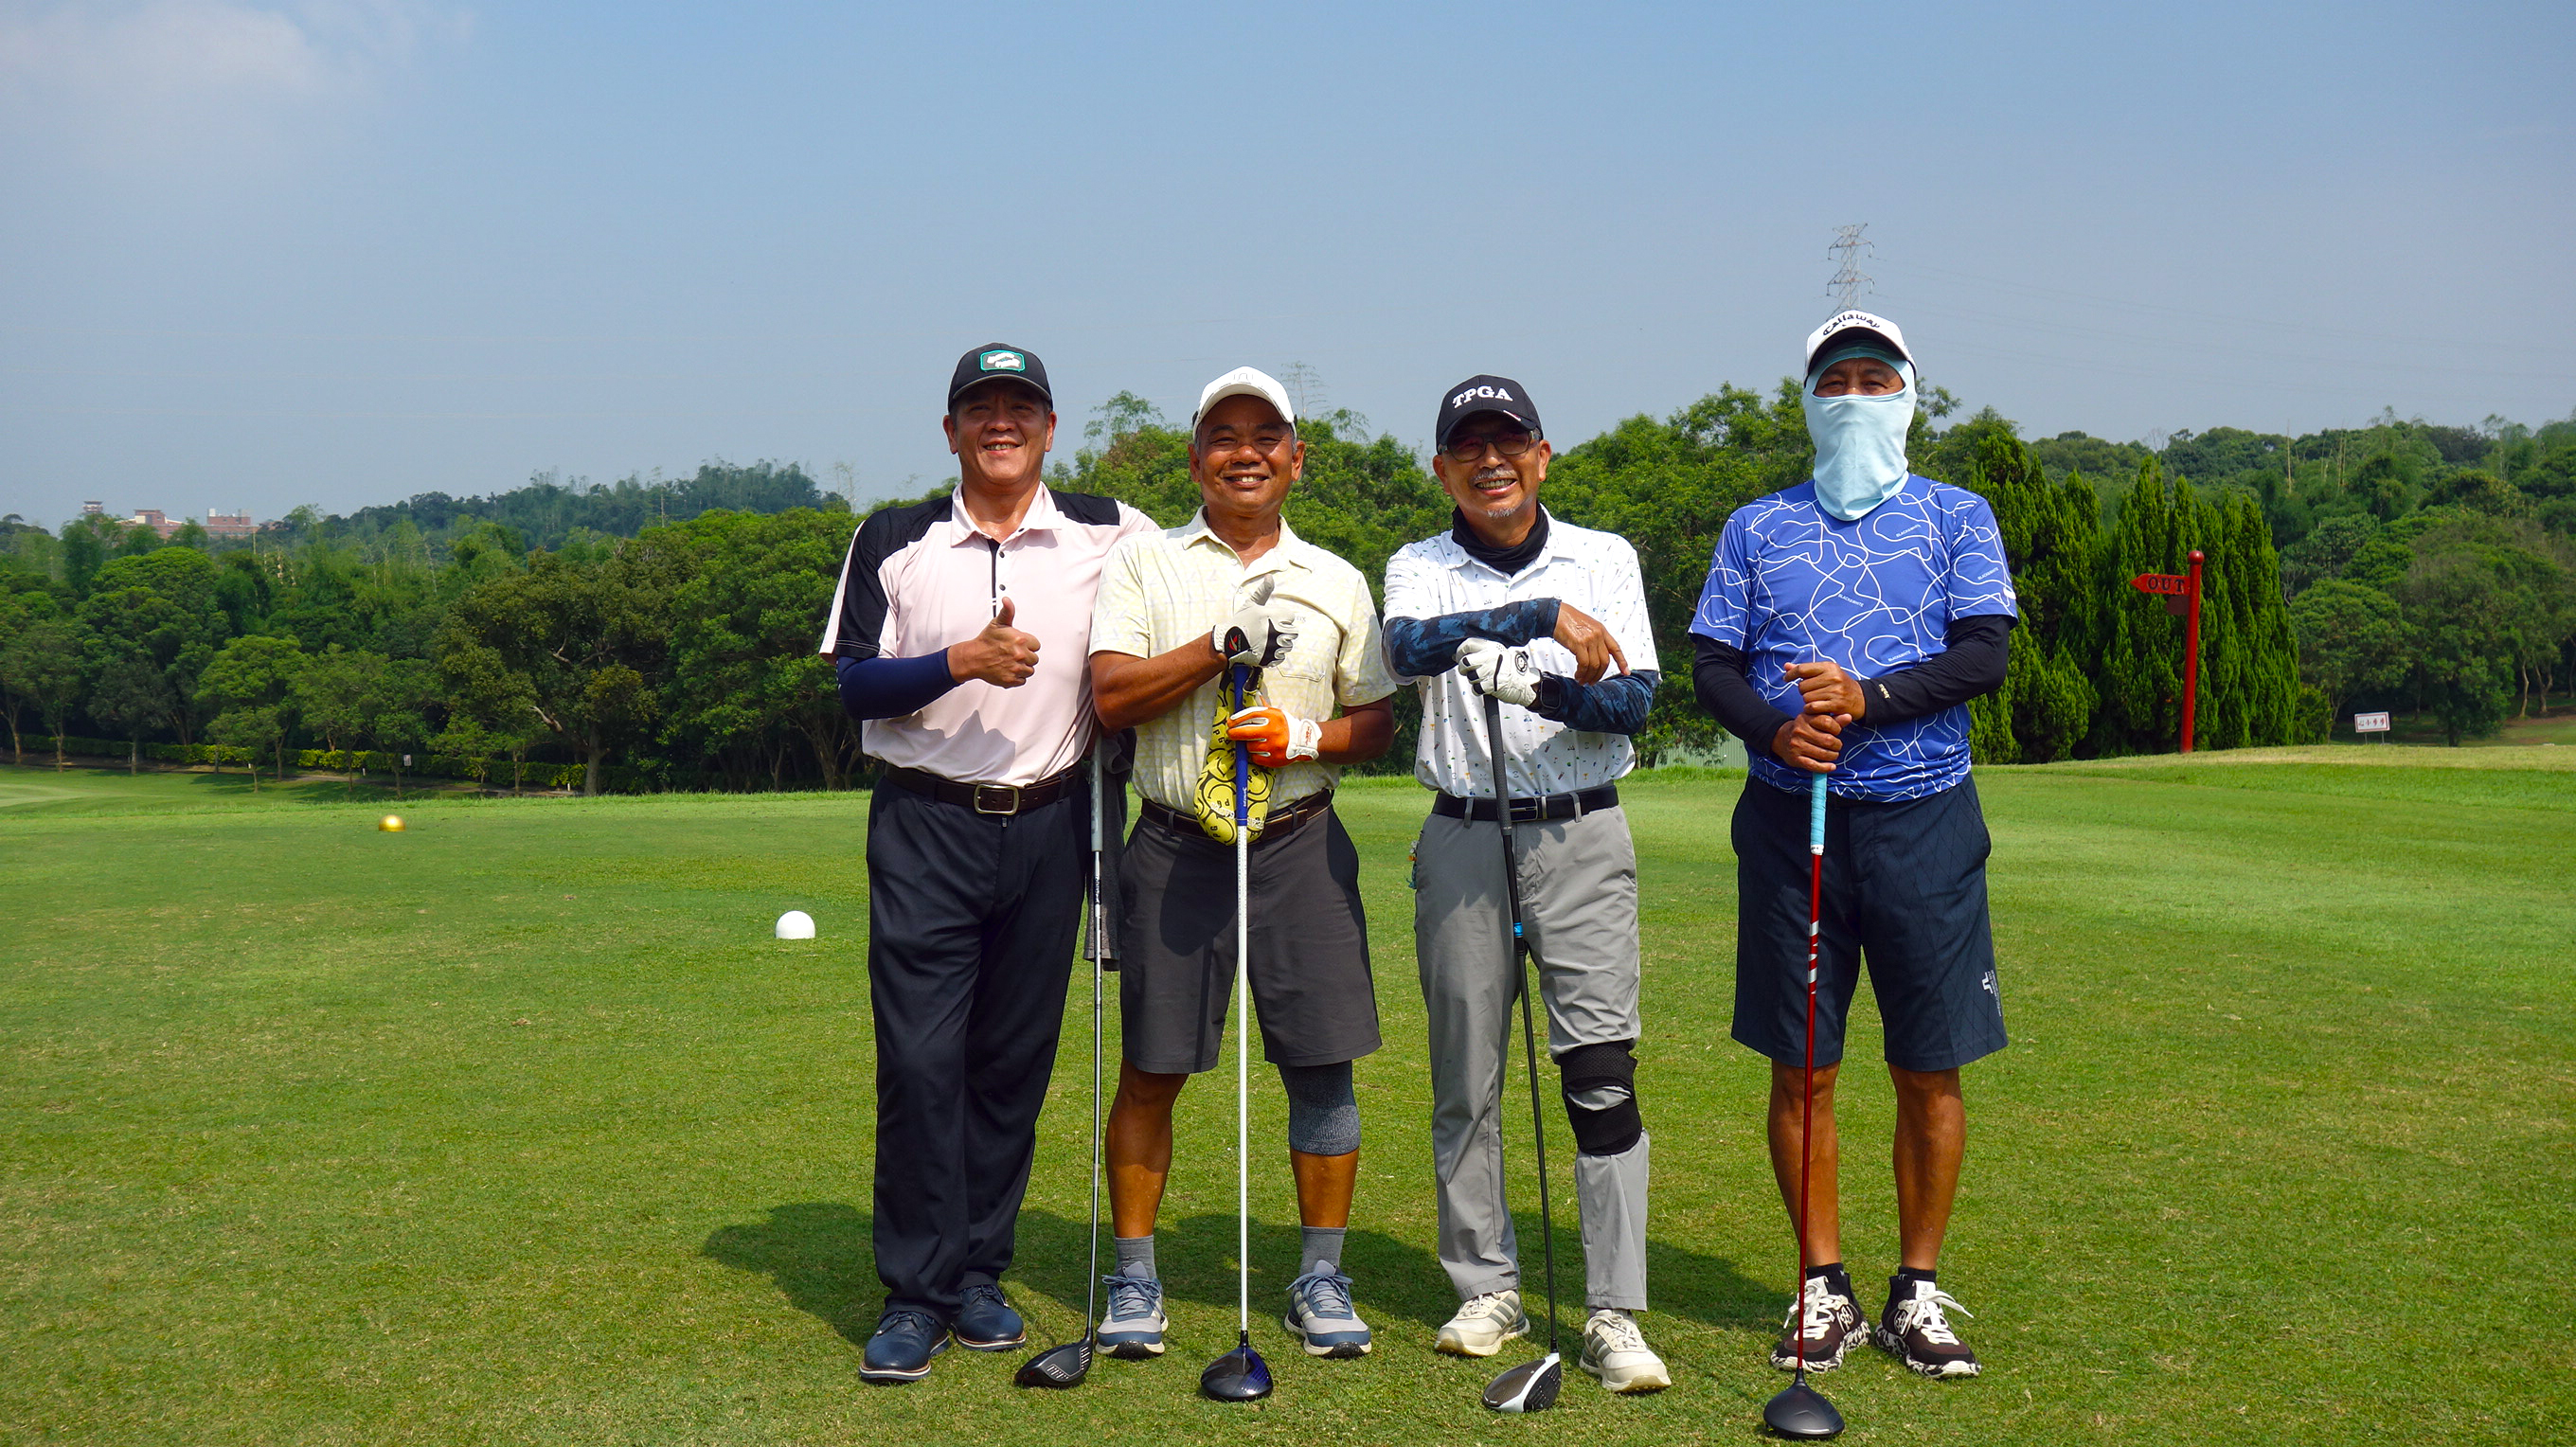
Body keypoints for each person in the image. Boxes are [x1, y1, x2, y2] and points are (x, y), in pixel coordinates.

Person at [817, 343, 1156, 1384]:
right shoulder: (895, 537)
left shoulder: (1113, 529)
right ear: (951, 430)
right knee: (922, 1063)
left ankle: (976, 1274)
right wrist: (960, 659)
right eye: (980, 408)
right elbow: (855, 684)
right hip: (925, 824)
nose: (999, 423)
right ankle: (914, 1293)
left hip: (1053, 827)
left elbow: (1186, 593)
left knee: (1011, 1065)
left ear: (1049, 428)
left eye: (1019, 408)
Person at [1688, 311, 2015, 1381]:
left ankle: (1915, 1288)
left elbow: (1984, 654)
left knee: (1928, 1064)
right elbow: (1712, 664)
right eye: (1836, 381)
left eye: (1876, 379)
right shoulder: (1756, 526)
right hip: (1792, 823)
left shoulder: (1957, 516)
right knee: (1803, 1067)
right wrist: (1775, 730)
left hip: (1925, 819)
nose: (1856, 397)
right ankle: (1819, 1283)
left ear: (1908, 394)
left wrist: (1864, 698)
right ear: (1808, 400)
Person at [1085, 366, 1399, 1361]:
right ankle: (1135, 1281)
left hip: (1299, 843)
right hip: (1174, 843)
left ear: (1297, 460)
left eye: (1266, 436)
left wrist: (1303, 736)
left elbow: (1376, 722)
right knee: (1152, 1068)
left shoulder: (1335, 579)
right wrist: (1215, 646)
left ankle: (1320, 1277)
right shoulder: (1144, 564)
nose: (1246, 453)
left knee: (1322, 1068)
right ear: (1195, 460)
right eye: (1224, 436)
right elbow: (1111, 696)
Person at [1382, 375, 1672, 1394]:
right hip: (1463, 833)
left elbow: (1633, 699)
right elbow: (1404, 648)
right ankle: (1485, 1286)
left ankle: (1612, 1310)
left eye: (1509, 442)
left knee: (1601, 1073)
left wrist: (1540, 685)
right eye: (1468, 446)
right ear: (1441, 468)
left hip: (1581, 832)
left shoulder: (1605, 556)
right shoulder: (1418, 564)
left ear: (1542, 456)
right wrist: (1537, 615)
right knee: (1466, 1075)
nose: (1490, 460)